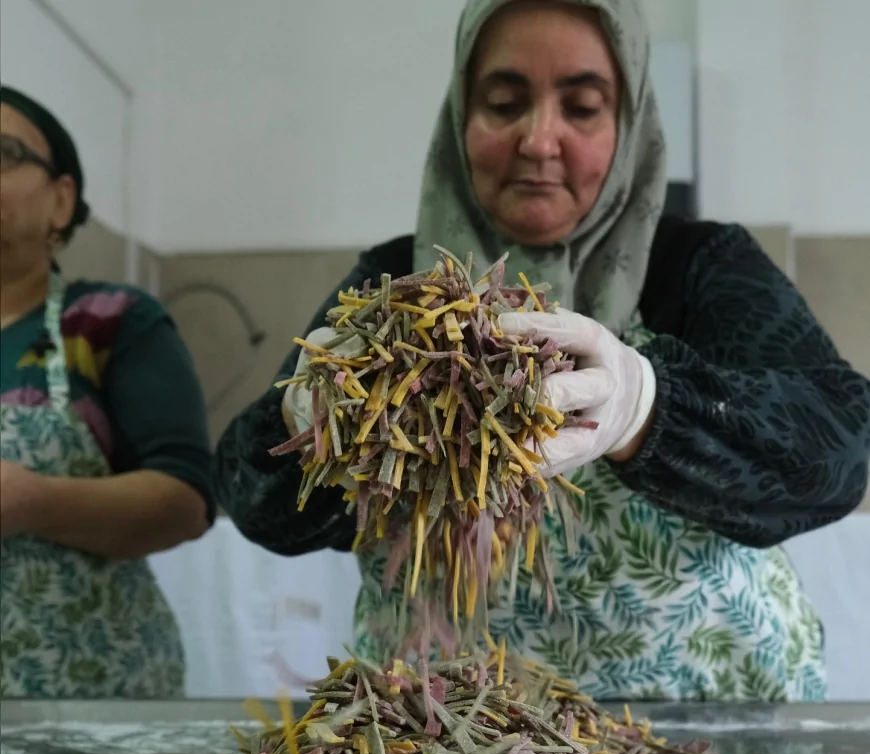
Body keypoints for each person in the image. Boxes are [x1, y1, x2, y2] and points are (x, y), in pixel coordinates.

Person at [213, 0, 870, 701]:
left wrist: (649, 408)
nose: (538, 139)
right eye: (503, 103)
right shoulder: (392, 286)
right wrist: (308, 426)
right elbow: (254, 501)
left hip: (701, 737)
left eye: (582, 107)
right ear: (460, 118)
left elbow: (841, 448)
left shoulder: (701, 266)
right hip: (452, 746)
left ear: (629, 123)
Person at [0, 86, 214, 698]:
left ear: (61, 200)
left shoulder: (108, 321)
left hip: (91, 712)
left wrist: (27, 502)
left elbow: (185, 500)